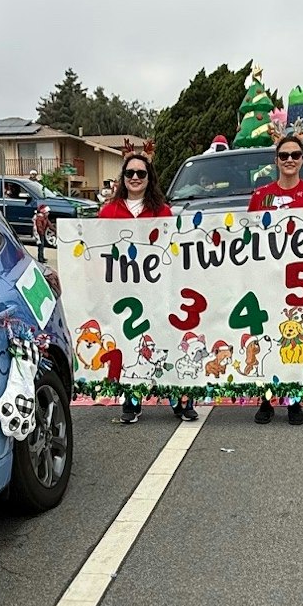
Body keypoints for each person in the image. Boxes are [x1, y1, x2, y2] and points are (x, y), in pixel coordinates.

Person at [95, 153, 196, 425]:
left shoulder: (162, 211)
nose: (136, 178)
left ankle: (179, 397)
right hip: (124, 292)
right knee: (130, 342)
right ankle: (132, 398)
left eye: (141, 173)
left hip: (158, 288)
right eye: (130, 173)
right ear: (123, 179)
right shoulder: (109, 212)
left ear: (149, 178)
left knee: (166, 340)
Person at [247, 133, 303, 427]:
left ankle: (294, 400)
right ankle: (266, 399)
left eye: (295, 155)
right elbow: (249, 237)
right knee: (268, 337)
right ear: (276, 161)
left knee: (296, 340)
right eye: (284, 156)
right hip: (269, 278)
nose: (290, 160)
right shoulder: (261, 196)